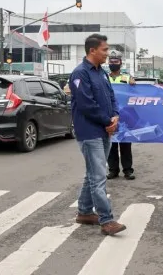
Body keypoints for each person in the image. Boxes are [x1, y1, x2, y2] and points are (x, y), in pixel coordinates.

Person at [69, 34, 126, 236]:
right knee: (98, 176)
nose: (107, 53)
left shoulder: (101, 72)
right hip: (89, 131)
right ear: (92, 50)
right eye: (104, 49)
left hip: (104, 130)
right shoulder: (80, 73)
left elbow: (111, 96)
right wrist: (107, 121)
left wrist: (115, 116)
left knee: (93, 173)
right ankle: (106, 220)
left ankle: (84, 212)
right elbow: (86, 105)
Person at [106, 53, 136, 180]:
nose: (113, 63)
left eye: (116, 61)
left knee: (125, 143)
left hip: (124, 114)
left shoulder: (127, 78)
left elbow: (134, 94)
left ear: (120, 63)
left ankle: (128, 170)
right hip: (109, 114)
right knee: (111, 144)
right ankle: (113, 170)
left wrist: (133, 84)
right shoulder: (104, 77)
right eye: (111, 61)